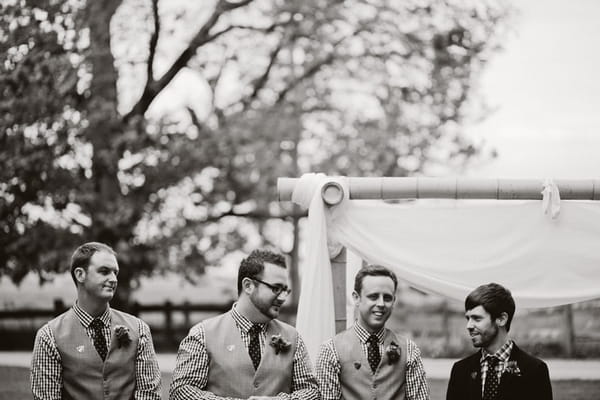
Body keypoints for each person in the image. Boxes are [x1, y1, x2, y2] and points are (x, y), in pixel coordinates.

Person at [169, 249, 319, 400]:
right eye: (276, 288)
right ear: (248, 286)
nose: (283, 297)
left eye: (285, 290)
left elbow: (311, 392)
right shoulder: (202, 334)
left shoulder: (293, 337)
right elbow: (181, 391)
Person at [30, 242, 162, 400]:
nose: (113, 279)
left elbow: (150, 394)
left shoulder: (139, 329)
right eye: (104, 271)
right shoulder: (49, 336)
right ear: (80, 275)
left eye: (115, 273)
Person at [316, 265, 430, 400]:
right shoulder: (331, 350)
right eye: (373, 296)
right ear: (356, 298)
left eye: (387, 298)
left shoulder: (410, 350)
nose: (381, 304)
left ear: (394, 301)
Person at [446, 282, 553, 400]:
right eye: (468, 318)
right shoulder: (460, 371)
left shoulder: (534, 370)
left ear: (501, 319)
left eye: (477, 318)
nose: (469, 325)